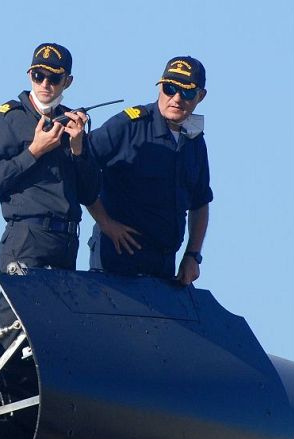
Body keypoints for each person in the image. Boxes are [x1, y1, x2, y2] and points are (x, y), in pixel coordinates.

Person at [0, 43, 99, 326]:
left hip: (67, 240)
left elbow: (90, 193)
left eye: (54, 78)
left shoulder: (73, 124)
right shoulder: (9, 118)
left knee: (57, 327)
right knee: (16, 326)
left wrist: (79, 149)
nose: (45, 84)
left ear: (67, 81)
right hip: (27, 236)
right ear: (29, 74)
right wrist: (34, 151)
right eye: (38, 75)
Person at [87, 56, 213, 285]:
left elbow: (200, 202)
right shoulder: (129, 126)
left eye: (186, 92)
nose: (176, 99)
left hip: (163, 267)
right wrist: (105, 222)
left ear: (200, 96)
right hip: (116, 262)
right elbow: (80, 167)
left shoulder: (194, 141)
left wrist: (193, 255)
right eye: (169, 89)